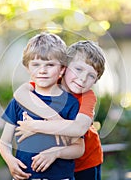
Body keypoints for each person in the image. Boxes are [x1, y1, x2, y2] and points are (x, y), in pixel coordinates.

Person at [14, 40, 105, 180]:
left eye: (91, 75)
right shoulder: (49, 83)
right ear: (64, 67)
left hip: (86, 162)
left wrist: (35, 126)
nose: (82, 79)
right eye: (79, 69)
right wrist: (54, 118)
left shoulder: (87, 96)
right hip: (58, 164)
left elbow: (78, 129)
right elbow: (20, 93)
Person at [0, 32, 85, 180]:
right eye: (36, 65)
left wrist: (56, 153)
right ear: (28, 68)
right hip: (26, 176)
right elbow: (4, 142)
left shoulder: (71, 103)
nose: (42, 70)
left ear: (62, 69)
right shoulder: (19, 102)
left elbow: (79, 147)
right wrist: (10, 161)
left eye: (50, 65)